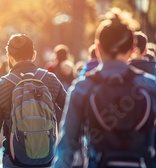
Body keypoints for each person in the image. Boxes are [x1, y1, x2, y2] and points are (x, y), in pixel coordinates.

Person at [54, 8, 156, 168]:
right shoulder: (150, 86)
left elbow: (67, 147)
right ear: (131, 50)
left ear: (98, 48)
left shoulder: (83, 87)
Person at [0, 34, 67, 168]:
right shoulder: (50, 80)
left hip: (14, 160)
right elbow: (70, 110)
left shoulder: (1, 86)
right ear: (33, 55)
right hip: (48, 159)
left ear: (9, 57)